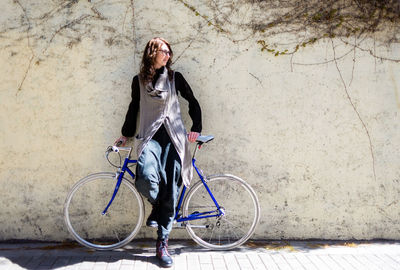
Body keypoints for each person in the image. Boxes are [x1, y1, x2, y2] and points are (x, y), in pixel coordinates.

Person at [115, 37, 202, 268]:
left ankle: (162, 242)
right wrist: (125, 134)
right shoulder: (139, 81)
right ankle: (156, 206)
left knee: (171, 189)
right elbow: (134, 107)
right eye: (164, 51)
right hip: (149, 138)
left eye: (169, 52)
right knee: (144, 176)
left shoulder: (175, 78)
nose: (168, 56)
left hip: (174, 138)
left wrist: (196, 128)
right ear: (152, 52)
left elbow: (192, 101)